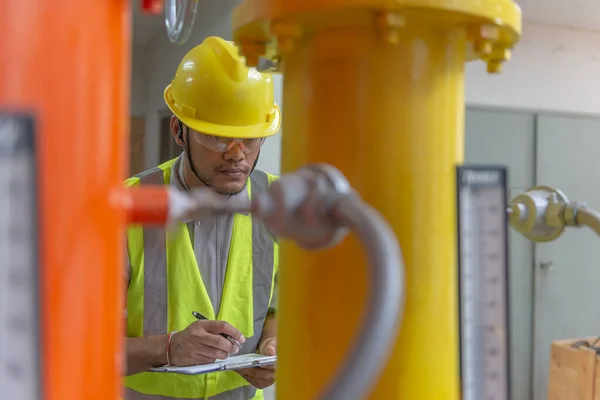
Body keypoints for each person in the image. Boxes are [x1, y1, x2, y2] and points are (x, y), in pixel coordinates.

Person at [122, 36, 281, 400]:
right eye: (217, 137)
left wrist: (272, 345)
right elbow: (86, 347)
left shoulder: (276, 204)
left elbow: (278, 306)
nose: (237, 156)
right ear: (179, 131)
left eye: (251, 140)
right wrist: (167, 349)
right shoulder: (128, 206)